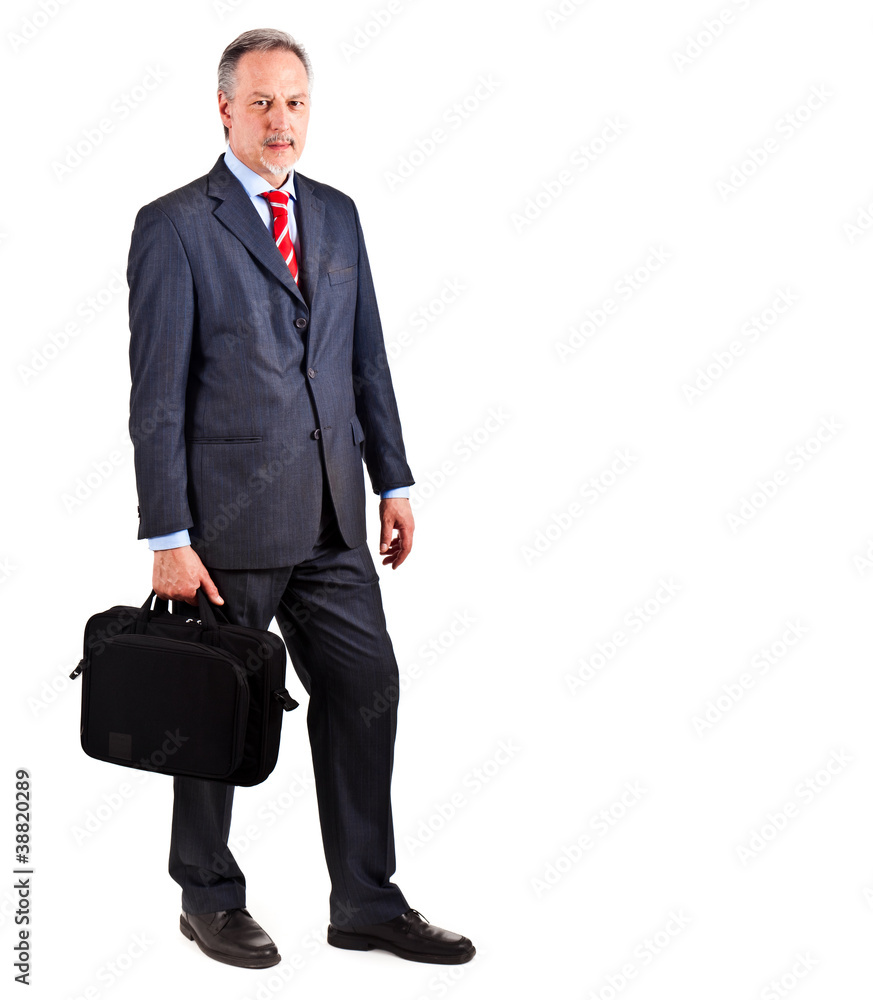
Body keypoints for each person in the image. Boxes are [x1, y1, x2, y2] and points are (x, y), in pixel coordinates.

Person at [126, 27, 475, 969]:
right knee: (215, 709)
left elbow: (364, 354)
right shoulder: (175, 225)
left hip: (333, 517)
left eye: (296, 103)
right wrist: (167, 532)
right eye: (263, 103)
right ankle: (206, 895)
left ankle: (364, 898)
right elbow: (156, 394)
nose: (282, 122)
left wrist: (393, 478)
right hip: (227, 524)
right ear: (225, 110)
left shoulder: (338, 214)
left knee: (366, 689)